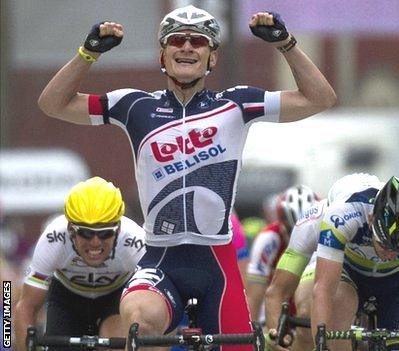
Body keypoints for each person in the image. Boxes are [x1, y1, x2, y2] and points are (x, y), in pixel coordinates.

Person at [37, 4, 336, 349]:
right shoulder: (134, 106)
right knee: (138, 320)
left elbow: (321, 98)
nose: (187, 47)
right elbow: (53, 104)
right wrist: (87, 54)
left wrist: (286, 44)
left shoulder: (236, 104)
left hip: (216, 264)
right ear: (163, 55)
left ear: (212, 58)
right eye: (177, 39)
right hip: (160, 257)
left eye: (199, 41)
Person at [312, 175, 399, 351]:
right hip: (349, 272)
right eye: (384, 244)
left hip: (398, 278)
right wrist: (320, 344)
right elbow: (323, 289)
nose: (390, 254)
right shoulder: (344, 213)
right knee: (339, 309)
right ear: (371, 219)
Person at [14, 177, 145, 351]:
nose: (95, 243)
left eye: (105, 233)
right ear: (70, 229)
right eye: (85, 233)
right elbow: (25, 307)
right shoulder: (53, 239)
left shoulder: (135, 242)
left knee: (118, 341)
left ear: (118, 230)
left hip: (115, 299)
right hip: (67, 300)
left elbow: (153, 308)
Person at [264, 173, 383, 351]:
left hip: (375, 264)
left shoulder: (384, 222)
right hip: (325, 261)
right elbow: (276, 292)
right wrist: (277, 337)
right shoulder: (312, 222)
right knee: (308, 313)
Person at [245, 185, 318, 322]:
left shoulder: (325, 235)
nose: (299, 240)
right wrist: (251, 334)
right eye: (292, 232)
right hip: (273, 311)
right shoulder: (268, 238)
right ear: (281, 225)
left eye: (307, 234)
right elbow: (254, 295)